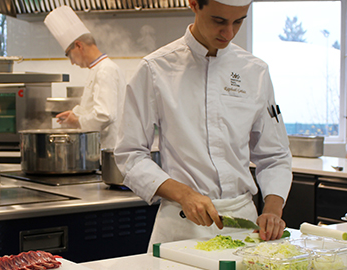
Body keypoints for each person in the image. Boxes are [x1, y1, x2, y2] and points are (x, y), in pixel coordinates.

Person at [114, 0, 292, 248]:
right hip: (182, 224)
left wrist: (273, 208)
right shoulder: (155, 69)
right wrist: (184, 194)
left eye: (238, 21)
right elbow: (130, 155)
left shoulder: (255, 71)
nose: (229, 33)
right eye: (219, 21)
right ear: (194, 4)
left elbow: (275, 155)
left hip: (243, 224)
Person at [44, 6, 126, 150]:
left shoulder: (105, 70)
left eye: (69, 55)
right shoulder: (99, 69)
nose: (72, 62)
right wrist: (76, 114)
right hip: (101, 149)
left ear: (78, 46)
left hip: (108, 151)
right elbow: (96, 107)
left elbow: (104, 115)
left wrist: (77, 122)